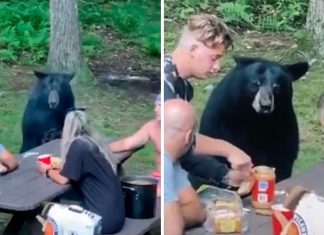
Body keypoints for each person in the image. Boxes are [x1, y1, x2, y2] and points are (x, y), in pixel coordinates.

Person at [164, 13, 253, 189]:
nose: (217, 67)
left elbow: (183, 147)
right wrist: (228, 150)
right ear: (193, 50)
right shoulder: (165, 85)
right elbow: (174, 141)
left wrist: (225, 175)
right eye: (214, 57)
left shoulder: (182, 86)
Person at [164, 99, 251, 235]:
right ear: (188, 137)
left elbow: (196, 211)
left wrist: (174, 216)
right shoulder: (165, 163)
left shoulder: (173, 162)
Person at [36, 109, 125, 234]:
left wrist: (47, 170)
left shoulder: (78, 145)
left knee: (53, 220)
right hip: (117, 216)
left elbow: (63, 179)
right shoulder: (93, 143)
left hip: (100, 222)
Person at [109, 94, 161, 195]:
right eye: (155, 105)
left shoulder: (177, 130)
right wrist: (101, 148)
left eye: (160, 106)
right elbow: (127, 144)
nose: (155, 109)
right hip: (158, 179)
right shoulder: (152, 126)